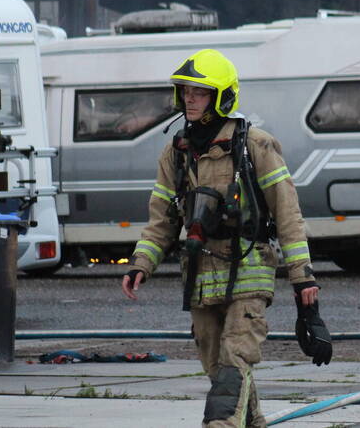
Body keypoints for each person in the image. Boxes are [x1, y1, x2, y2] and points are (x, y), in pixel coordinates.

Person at [120, 48, 333, 427]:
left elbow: (287, 213)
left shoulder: (255, 146)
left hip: (248, 272)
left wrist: (302, 275)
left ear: (221, 97)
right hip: (200, 277)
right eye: (186, 91)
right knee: (219, 370)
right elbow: (162, 220)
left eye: (199, 92)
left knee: (235, 363)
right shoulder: (177, 152)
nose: (189, 99)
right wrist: (142, 263)